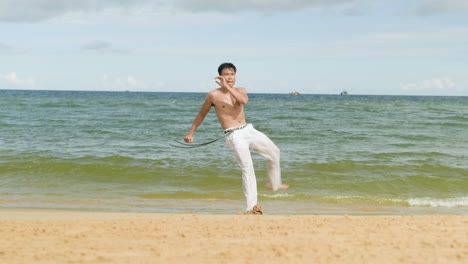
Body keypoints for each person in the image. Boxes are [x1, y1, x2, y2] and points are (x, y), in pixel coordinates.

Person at [184, 62, 289, 214]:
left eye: (232, 74)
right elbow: (201, 114)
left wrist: (228, 88)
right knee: (248, 169)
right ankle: (251, 207)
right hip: (234, 135)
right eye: (226, 74)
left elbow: (244, 101)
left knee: (274, 151)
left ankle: (274, 183)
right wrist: (190, 133)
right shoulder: (213, 95)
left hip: (248, 130)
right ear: (220, 76)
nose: (230, 77)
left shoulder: (240, 90)